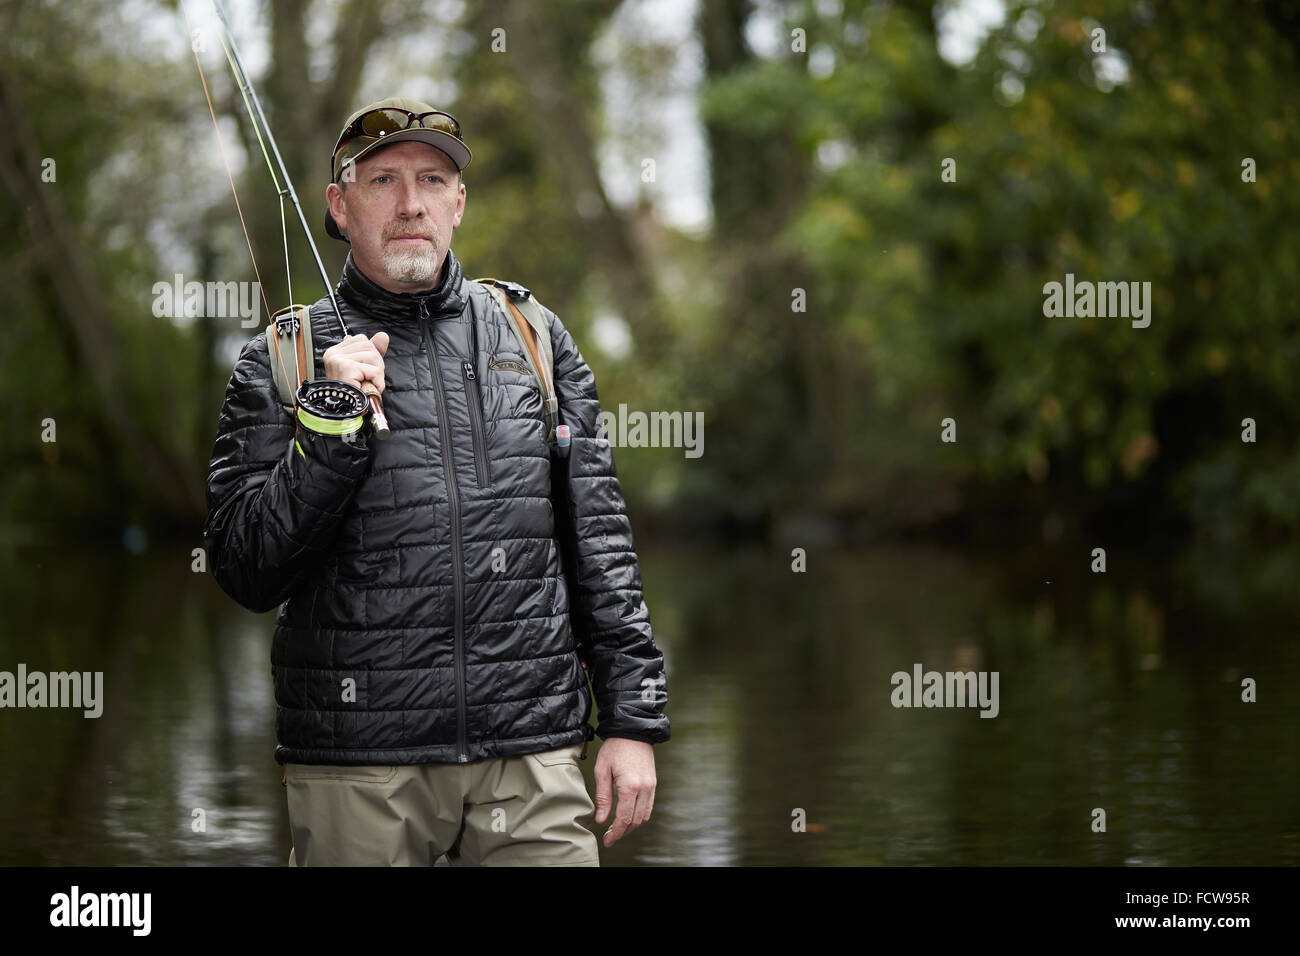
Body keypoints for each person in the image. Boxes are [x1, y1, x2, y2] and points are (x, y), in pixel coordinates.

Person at [202, 97, 669, 866]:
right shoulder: (280, 359)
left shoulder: (534, 335)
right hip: (356, 765)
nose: (410, 202)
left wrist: (632, 720)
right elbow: (247, 568)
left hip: (534, 754)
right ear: (339, 206)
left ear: (460, 201)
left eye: (432, 179)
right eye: (382, 180)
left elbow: (602, 547)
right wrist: (329, 424)